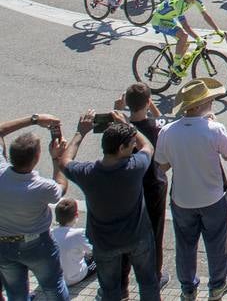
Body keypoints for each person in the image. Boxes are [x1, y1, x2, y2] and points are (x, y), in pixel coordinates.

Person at [57, 111, 160, 301]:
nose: (134, 147)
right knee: (148, 282)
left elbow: (64, 161)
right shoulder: (135, 167)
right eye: (131, 145)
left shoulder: (87, 173)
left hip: (104, 243)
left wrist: (81, 132)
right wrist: (130, 126)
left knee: (110, 289)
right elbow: (148, 146)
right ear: (122, 148)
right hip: (138, 238)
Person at [154, 78, 227, 301]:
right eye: (209, 99)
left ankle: (188, 288)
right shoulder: (214, 129)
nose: (212, 101)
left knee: (185, 245)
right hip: (213, 197)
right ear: (200, 105)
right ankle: (217, 285)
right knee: (217, 243)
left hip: (182, 198)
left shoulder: (168, 132)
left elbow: (162, 166)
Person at [0, 114, 70, 301]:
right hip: (38, 245)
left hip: (3, 245)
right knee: (53, 287)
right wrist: (57, 158)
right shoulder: (42, 187)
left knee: (16, 293)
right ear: (37, 157)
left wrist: (34, 119)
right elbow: (61, 187)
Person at [114, 84, 168, 292]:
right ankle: (154, 276)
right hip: (154, 185)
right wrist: (152, 107)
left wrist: (119, 110)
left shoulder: (120, 128)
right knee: (155, 234)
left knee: (127, 234)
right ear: (147, 102)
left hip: (128, 188)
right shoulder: (157, 128)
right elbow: (165, 121)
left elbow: (112, 133)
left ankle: (123, 283)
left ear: (127, 103)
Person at [50, 200, 92, 286]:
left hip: (56, 278)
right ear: (76, 215)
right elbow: (93, 251)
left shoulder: (50, 233)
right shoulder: (79, 233)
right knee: (98, 258)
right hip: (74, 277)